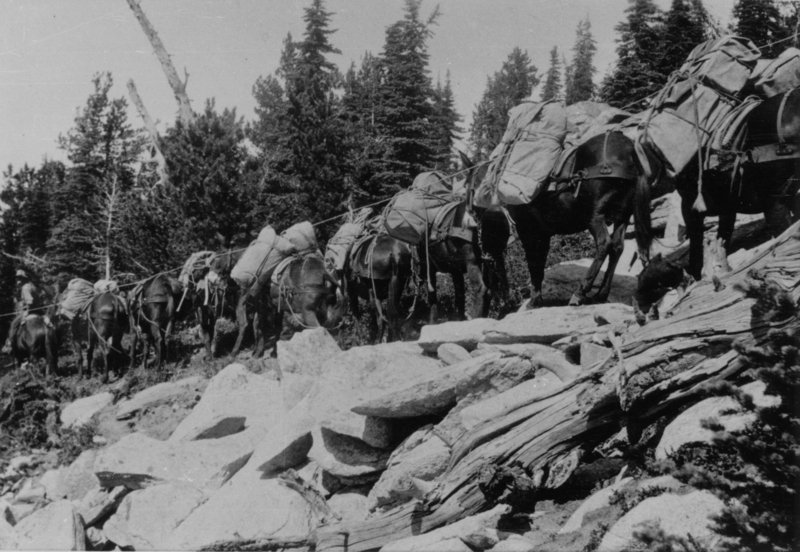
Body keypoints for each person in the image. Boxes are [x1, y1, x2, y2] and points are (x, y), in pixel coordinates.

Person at [3, 270, 43, 353]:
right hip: (39, 310)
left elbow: (30, 301)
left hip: (30, 310)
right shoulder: (32, 285)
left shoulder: (25, 288)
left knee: (13, 324)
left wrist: (26, 311)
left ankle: (9, 345)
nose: (17, 280)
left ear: (24, 279)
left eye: (19, 278)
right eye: (17, 278)